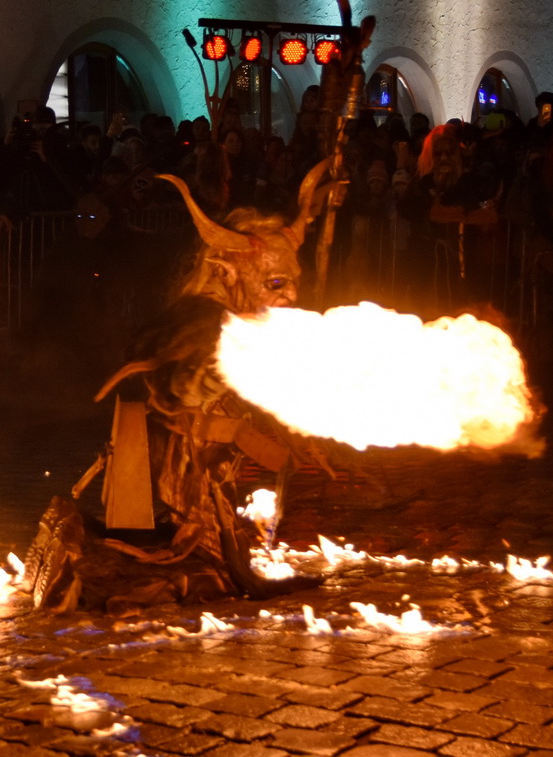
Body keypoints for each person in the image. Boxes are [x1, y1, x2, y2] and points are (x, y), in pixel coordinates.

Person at [20, 161, 336, 614]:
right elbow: (176, 392)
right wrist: (224, 368)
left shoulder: (247, 323)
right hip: (187, 474)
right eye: (275, 284)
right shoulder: (205, 323)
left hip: (214, 470)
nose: (289, 297)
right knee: (201, 568)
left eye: (292, 283)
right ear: (227, 273)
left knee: (218, 560)